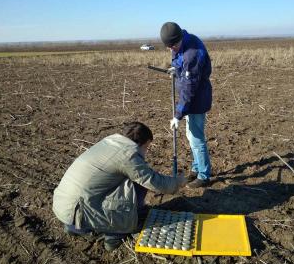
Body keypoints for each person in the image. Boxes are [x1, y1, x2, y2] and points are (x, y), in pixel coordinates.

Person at [52, 122, 187, 251]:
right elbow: (153, 181)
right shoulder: (128, 155)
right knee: (138, 185)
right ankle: (114, 234)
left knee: (126, 179)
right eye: (146, 148)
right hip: (79, 213)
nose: (146, 152)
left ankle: (75, 227)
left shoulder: (109, 142)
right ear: (140, 143)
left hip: (63, 207)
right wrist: (177, 182)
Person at [160, 22, 213, 188]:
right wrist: (175, 69)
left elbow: (189, 90)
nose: (171, 49)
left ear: (178, 40)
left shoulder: (193, 55)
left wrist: (178, 115)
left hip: (196, 100)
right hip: (191, 97)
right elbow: (179, 60)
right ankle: (196, 168)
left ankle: (204, 176)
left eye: (172, 46)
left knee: (196, 138)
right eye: (168, 47)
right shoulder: (183, 41)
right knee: (191, 136)